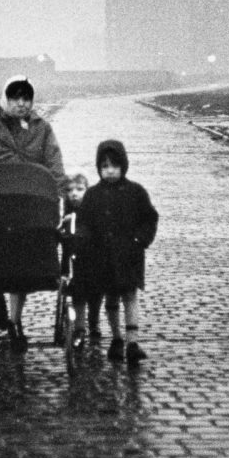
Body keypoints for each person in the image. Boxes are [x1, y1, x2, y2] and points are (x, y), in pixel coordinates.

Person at [0, 75, 66, 352]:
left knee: (23, 265)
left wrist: (62, 194)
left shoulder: (42, 129)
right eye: (15, 98)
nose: (21, 104)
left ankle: (14, 321)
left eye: (26, 98)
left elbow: (54, 163)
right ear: (5, 99)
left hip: (28, 205)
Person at [76, 139, 158, 365]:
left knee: (130, 295)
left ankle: (133, 341)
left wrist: (140, 239)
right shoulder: (93, 195)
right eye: (104, 167)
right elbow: (84, 221)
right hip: (103, 256)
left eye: (114, 165)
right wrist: (84, 239)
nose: (110, 171)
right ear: (99, 169)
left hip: (129, 254)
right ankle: (116, 338)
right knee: (110, 297)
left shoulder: (136, 192)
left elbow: (149, 218)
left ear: (123, 166)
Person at [58, 172, 101, 348]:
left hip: (93, 259)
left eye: (79, 189)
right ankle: (80, 328)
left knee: (96, 295)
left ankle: (94, 322)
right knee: (78, 295)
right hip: (73, 262)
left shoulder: (92, 211)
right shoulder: (63, 212)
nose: (74, 193)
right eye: (70, 190)